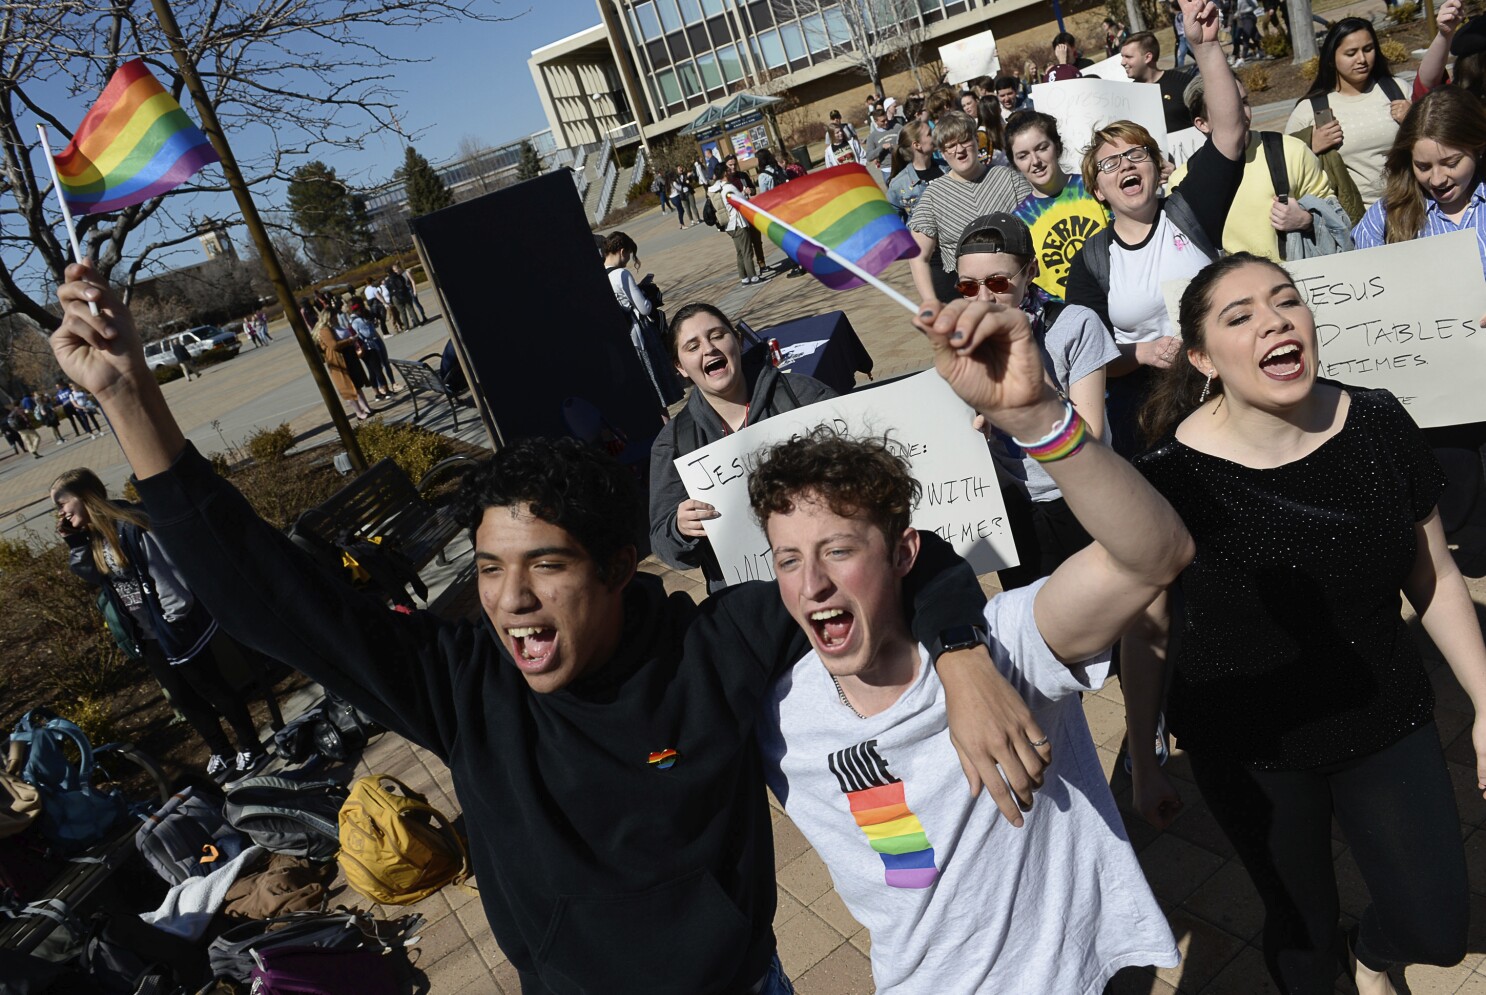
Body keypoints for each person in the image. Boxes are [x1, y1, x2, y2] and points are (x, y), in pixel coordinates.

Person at [53, 259, 1040, 994]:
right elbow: (269, 595)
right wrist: (129, 397)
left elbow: (905, 557)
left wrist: (962, 656)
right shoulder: (463, 685)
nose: (510, 599)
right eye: (488, 570)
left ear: (619, 567)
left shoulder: (716, 645)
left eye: (545, 566)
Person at [755, 283, 1194, 990]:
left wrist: (1039, 416)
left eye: (838, 550)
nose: (812, 585)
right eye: (787, 559)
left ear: (903, 553)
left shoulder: (1010, 645)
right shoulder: (776, 712)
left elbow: (1155, 554)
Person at [1125, 252, 1477, 995]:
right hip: (1250, 743)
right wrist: (1147, 751)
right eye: (1240, 315)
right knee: (1303, 937)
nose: (1275, 320)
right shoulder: (1167, 475)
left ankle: (1377, 952)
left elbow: (1434, 573)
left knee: (1438, 926)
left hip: (1384, 711)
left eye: (1286, 301)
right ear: (1202, 358)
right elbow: (1147, 624)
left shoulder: (1378, 418)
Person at [1065, 0, 1247, 457]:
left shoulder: (1192, 210)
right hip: (1149, 419)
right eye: (1109, 163)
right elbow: (1088, 357)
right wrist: (1141, 354)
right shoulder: (1090, 262)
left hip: (1231, 394)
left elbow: (1228, 134)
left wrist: (1206, 48)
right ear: (1099, 189)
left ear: (1156, 167)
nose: (1124, 164)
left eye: (1135, 154)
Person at [53, 467, 266, 780]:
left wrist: (175, 617)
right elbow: (90, 575)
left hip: (173, 623)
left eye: (62, 504)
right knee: (183, 697)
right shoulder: (95, 536)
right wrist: (75, 543)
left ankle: (251, 745)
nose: (59, 512)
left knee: (210, 686)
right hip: (146, 631)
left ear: (85, 498)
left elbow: (164, 572)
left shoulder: (130, 524)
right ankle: (222, 751)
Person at [953, 213, 1117, 584]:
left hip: (1081, 496)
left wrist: (1025, 354)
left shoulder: (1074, 324)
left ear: (1030, 271)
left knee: (1103, 618)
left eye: (998, 281)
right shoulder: (961, 339)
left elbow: (1089, 435)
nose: (983, 297)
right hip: (1014, 504)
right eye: (966, 287)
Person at [647, 302, 836, 592]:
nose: (708, 349)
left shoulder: (804, 396)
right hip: (749, 600)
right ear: (680, 367)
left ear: (737, 340)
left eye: (717, 335)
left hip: (827, 575)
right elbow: (663, 542)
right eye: (692, 346)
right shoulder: (673, 443)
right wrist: (680, 528)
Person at [1170, 75, 1348, 261]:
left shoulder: (1292, 151)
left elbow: (1338, 221)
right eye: (1227, 109)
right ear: (1202, 123)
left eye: (1244, 102)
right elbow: (1182, 255)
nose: (1240, 114)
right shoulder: (1182, 180)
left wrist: (1307, 221)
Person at [1286, 17, 1413, 213]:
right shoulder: (1308, 110)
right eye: (1351, 53)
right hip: (1354, 222)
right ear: (1331, 58)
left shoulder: (1398, 90)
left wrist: (1415, 120)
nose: (1362, 59)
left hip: (1409, 208)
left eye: (1368, 49)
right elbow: (1288, 171)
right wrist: (1311, 148)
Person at [907, 109, 1033, 307]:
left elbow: (1038, 226)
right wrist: (931, 302)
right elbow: (917, 255)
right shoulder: (933, 196)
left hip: (1015, 294)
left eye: (964, 140)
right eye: (950, 146)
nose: (959, 150)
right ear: (941, 151)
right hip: (968, 298)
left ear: (976, 140)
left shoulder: (1008, 178)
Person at [1353, 84, 1486, 268]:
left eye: (1451, 163)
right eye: (1423, 167)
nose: (1437, 179)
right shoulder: (1383, 218)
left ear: (1478, 148)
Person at [1007, 111, 1110, 301]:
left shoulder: (1095, 188)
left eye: (1041, 148)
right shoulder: (1018, 223)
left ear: (1057, 146)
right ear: (1014, 164)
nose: (1035, 161)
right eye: (1023, 156)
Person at [603, 231, 681, 414]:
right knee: (659, 391)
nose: (628, 259)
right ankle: (668, 432)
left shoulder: (602, 274)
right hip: (642, 334)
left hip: (626, 335)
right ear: (622, 251)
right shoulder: (622, 274)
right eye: (629, 254)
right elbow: (644, 308)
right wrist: (646, 292)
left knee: (650, 393)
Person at [1120, 31, 1195, 133]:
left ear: (1148, 57)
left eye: (1128, 57)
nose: (1123, 63)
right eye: (1122, 57)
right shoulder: (1125, 96)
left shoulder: (1182, 82)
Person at [315, 309, 372, 421]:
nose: (336, 319)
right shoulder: (324, 330)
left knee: (356, 385)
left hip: (348, 357)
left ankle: (366, 408)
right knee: (347, 388)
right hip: (338, 361)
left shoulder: (334, 327)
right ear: (328, 318)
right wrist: (350, 340)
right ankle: (359, 413)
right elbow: (334, 345)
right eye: (333, 317)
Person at [887, 121, 944, 221]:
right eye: (929, 134)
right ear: (917, 145)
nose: (935, 135)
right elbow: (892, 221)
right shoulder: (898, 184)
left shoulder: (947, 168)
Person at [715, 170, 762, 285]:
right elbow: (742, 200)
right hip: (738, 223)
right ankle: (753, 277)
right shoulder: (729, 187)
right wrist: (745, 192)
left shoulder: (718, 188)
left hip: (729, 225)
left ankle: (744, 277)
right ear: (725, 174)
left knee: (740, 252)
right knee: (747, 251)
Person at [347, 299, 398, 401]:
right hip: (369, 347)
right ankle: (386, 390)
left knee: (371, 371)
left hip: (362, 349)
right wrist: (370, 326)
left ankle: (377, 393)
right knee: (378, 369)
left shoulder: (351, 321)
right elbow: (368, 334)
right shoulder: (359, 321)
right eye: (360, 309)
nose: (361, 311)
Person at [865, 104, 902, 180]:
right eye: (882, 121)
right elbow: (869, 157)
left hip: (902, 165)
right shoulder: (872, 137)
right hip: (888, 170)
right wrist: (881, 147)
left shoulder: (897, 127)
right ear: (876, 121)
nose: (886, 122)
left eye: (886, 119)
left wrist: (895, 146)